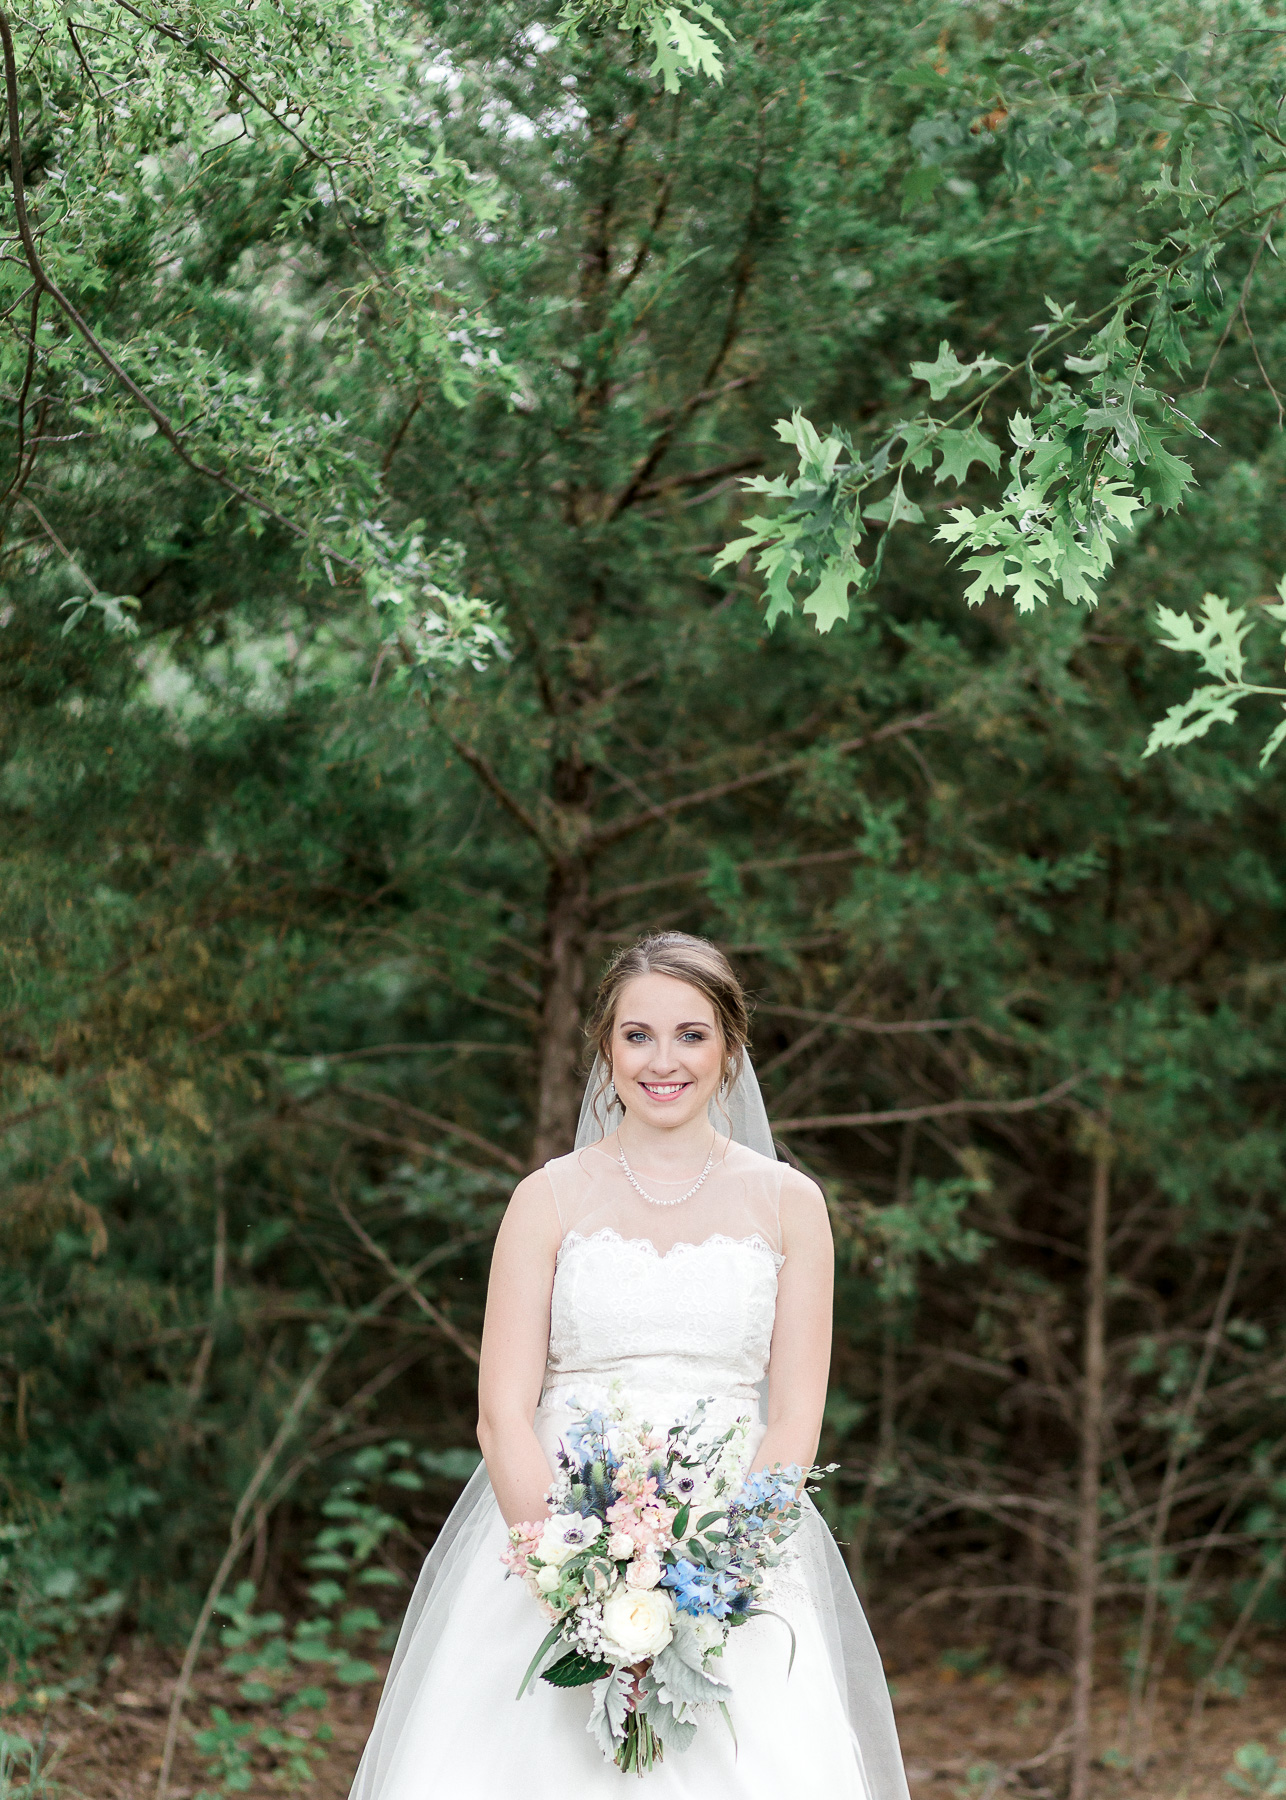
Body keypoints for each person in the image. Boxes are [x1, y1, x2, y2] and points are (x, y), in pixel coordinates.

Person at [348, 932, 910, 1799]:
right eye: (637, 1034)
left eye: (691, 1034)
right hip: (553, 1531)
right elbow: (501, 1412)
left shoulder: (792, 1205)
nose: (663, 1060)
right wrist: (566, 1580)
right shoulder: (547, 1198)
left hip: (730, 1545)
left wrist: (726, 1574)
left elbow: (796, 1413)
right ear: (606, 1049)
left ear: (730, 1048)